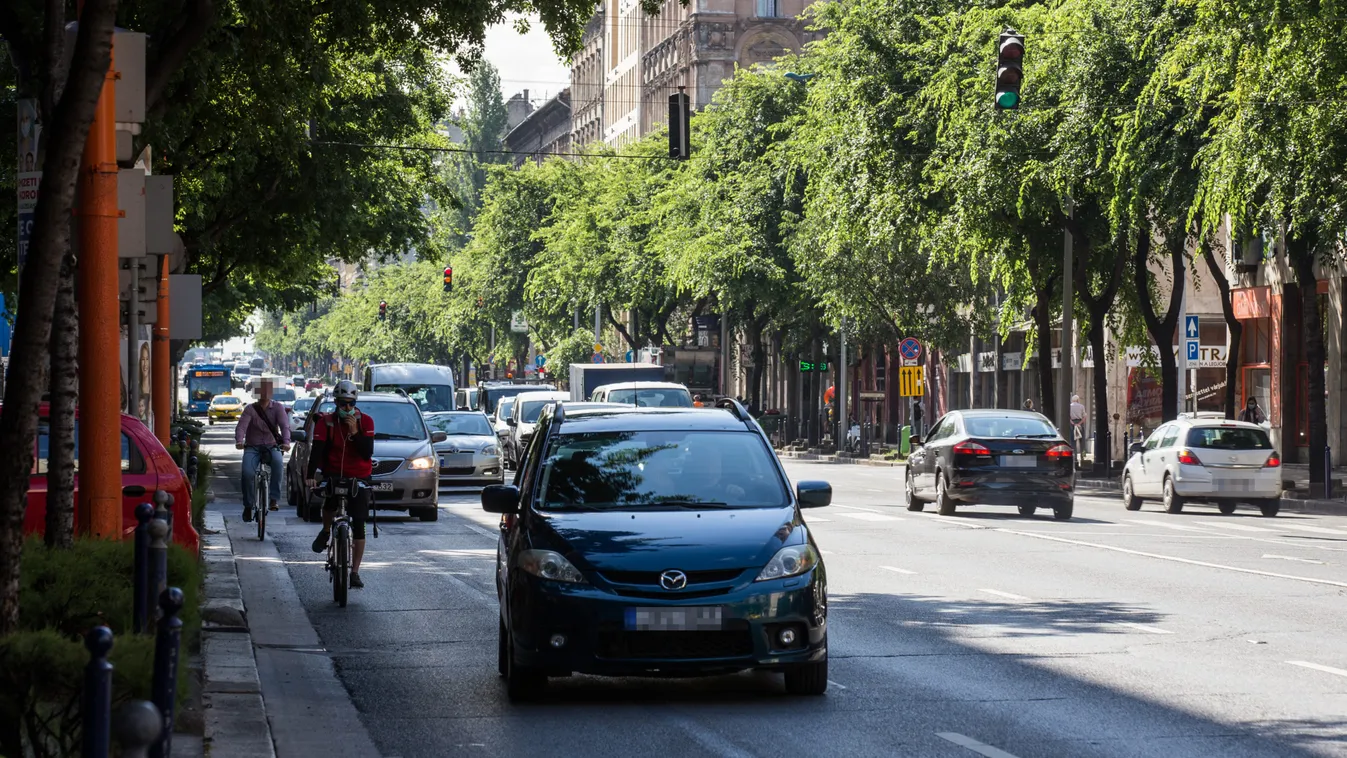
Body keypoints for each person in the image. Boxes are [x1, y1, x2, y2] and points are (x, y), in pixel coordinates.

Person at [306, 380, 375, 588]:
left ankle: (354, 572)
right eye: (342, 404)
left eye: (350, 404)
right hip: (333, 472)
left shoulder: (366, 422)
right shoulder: (325, 422)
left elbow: (367, 453)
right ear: (336, 403)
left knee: (360, 523)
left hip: (359, 476)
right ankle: (326, 531)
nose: (347, 409)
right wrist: (310, 475)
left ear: (355, 403)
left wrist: (355, 432)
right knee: (328, 504)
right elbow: (316, 450)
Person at [235, 378, 292, 522]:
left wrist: (286, 442)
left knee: (278, 463)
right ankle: (248, 506)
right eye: (262, 390)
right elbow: (241, 426)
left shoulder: (278, 407)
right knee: (247, 473)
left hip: (272, 446)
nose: (265, 393)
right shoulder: (250, 409)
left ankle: (273, 499)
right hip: (252, 447)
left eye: (268, 390)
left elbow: (285, 426)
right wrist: (239, 441)